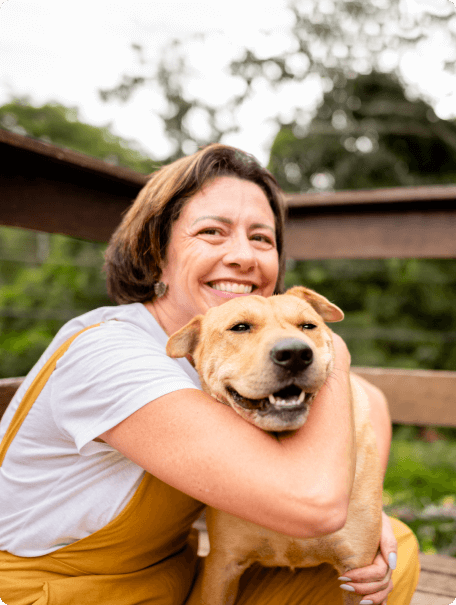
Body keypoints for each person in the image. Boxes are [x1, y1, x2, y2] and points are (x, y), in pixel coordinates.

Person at [0, 144, 419, 605]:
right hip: (63, 595)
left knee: (394, 551)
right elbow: (315, 505)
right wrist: (330, 345)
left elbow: (371, 402)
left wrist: (362, 511)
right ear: (156, 251)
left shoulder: (228, 358)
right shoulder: (109, 354)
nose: (243, 256)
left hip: (176, 583)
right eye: (212, 232)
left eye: (262, 239)